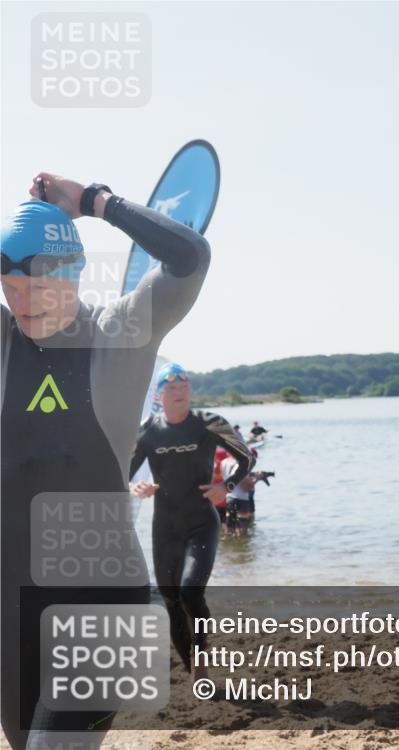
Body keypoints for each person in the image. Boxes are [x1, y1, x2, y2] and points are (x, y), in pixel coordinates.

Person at [1, 175, 210, 750]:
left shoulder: (121, 333)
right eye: (10, 288)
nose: (22, 303)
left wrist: (95, 201)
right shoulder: (5, 341)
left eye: (37, 286)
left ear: (72, 271)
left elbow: (190, 257)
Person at [129, 363, 254, 678]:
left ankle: (200, 653)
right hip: (165, 527)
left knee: (190, 592)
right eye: (172, 387)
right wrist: (136, 487)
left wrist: (225, 487)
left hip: (201, 523)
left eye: (184, 386)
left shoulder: (209, 423)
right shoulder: (147, 430)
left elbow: (246, 457)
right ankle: (191, 665)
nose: (180, 392)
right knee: (171, 600)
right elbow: (123, 474)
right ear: (159, 395)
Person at [222, 447, 262, 536]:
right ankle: (243, 545)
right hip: (241, 500)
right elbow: (246, 488)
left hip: (229, 499)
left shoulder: (224, 462)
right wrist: (257, 479)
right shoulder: (241, 466)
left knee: (229, 530)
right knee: (242, 532)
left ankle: (228, 545)